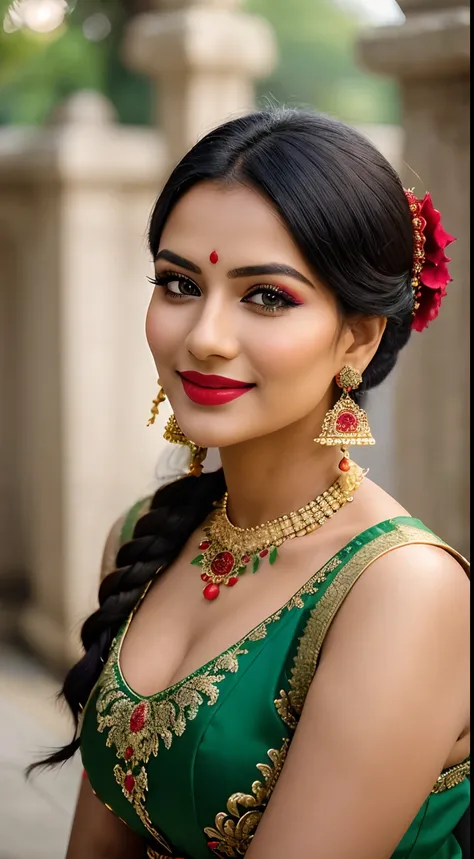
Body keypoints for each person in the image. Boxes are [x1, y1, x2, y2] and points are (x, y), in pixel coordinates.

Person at [36, 109, 470, 859]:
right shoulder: (145, 535)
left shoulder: (402, 592)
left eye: (266, 295)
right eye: (178, 282)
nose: (204, 334)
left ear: (358, 336)